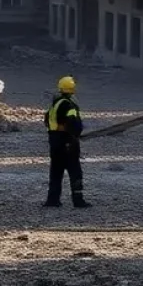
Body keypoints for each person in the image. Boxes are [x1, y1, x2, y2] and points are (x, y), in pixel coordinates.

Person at [44, 75, 90, 208]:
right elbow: (73, 123)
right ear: (72, 89)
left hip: (54, 140)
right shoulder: (69, 105)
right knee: (75, 171)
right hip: (67, 141)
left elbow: (47, 120)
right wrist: (74, 136)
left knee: (56, 171)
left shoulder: (55, 104)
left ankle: (52, 200)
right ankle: (78, 200)